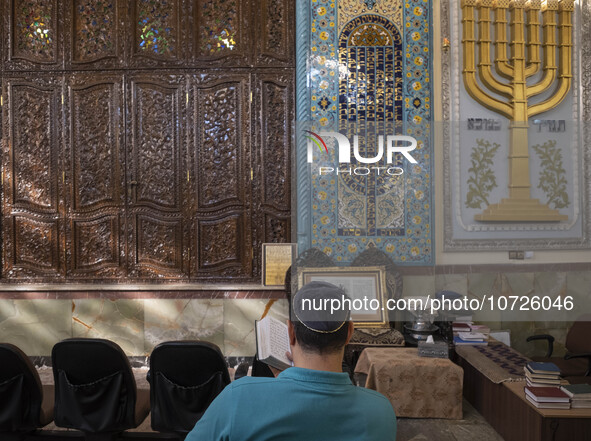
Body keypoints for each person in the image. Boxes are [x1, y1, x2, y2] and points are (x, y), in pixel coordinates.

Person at [186, 281, 397, 441]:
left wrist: (284, 383)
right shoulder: (380, 411)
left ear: (291, 333)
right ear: (349, 333)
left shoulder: (237, 398)